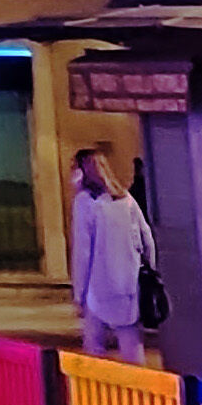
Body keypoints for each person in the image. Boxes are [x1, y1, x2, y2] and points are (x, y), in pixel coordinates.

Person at [69, 147, 157, 363]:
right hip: (127, 284)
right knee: (131, 343)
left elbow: (83, 251)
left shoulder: (85, 202)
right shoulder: (125, 198)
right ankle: (138, 386)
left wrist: (79, 292)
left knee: (94, 346)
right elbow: (147, 239)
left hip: (98, 287)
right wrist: (149, 272)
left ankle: (99, 390)